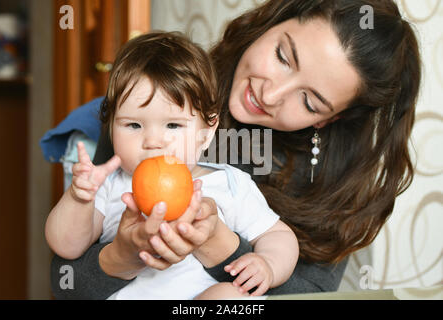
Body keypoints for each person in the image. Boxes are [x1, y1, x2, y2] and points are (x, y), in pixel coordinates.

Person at [49, 0, 421, 299]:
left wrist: (220, 246)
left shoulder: (265, 185)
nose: (270, 94)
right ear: (271, 23)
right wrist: (120, 256)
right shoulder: (157, 104)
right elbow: (65, 279)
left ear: (328, 119)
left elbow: (301, 292)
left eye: (309, 102)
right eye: (283, 56)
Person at [45, 31, 298, 299]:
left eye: (173, 125)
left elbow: (279, 236)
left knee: (231, 297)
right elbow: (66, 246)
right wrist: (79, 197)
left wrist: (267, 264)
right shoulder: (109, 185)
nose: (153, 142)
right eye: (133, 125)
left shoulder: (230, 184)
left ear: (207, 130)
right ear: (111, 128)